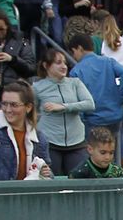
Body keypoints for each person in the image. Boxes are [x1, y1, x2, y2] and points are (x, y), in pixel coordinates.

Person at [68, 32, 123, 156]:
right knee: (116, 148)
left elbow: (77, 99)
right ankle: (122, 173)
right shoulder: (108, 61)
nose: (73, 56)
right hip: (114, 114)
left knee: (94, 153)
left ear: (79, 48)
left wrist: (82, 117)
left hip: (92, 119)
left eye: (73, 52)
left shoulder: (76, 71)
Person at [32, 46, 97, 175]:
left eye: (65, 63)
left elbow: (90, 104)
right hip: (50, 142)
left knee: (78, 179)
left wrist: (64, 107)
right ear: (46, 65)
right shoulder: (37, 87)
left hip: (76, 141)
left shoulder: (75, 83)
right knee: (51, 180)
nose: (64, 66)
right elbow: (30, 111)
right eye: (58, 63)